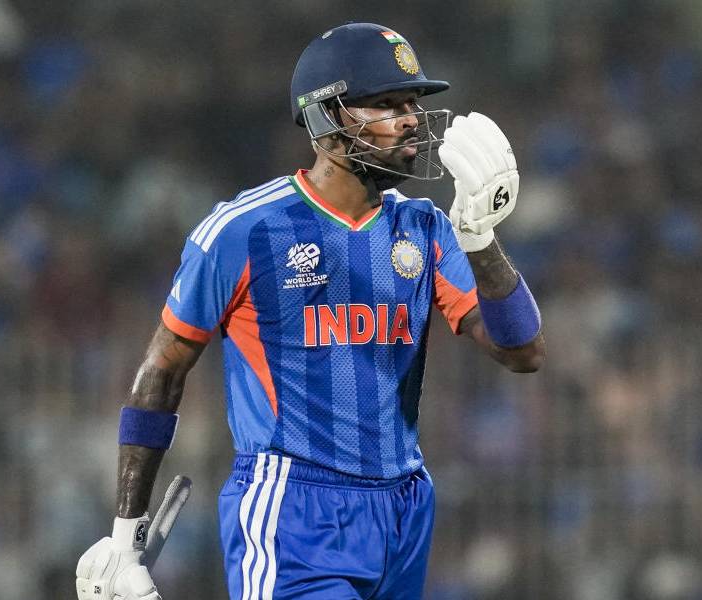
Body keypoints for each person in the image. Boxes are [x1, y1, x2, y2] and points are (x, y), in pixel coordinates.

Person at [76, 21, 545, 600]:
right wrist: (124, 538)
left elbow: (523, 352)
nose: (409, 120)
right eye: (384, 104)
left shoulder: (427, 229)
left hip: (405, 506)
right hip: (293, 506)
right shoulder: (242, 230)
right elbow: (163, 370)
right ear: (326, 119)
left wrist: (479, 237)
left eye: (411, 103)